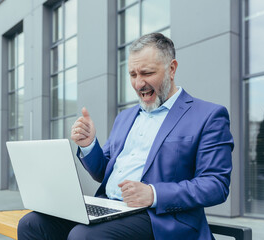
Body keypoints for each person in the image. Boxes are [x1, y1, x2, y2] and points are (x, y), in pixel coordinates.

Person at [17, 32, 234, 240]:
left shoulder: (208, 115)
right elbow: (104, 172)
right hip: (110, 208)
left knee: (84, 236)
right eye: (133, 74)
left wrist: (154, 193)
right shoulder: (125, 117)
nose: (139, 84)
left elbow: (216, 185)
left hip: (160, 219)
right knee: (31, 224)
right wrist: (89, 145)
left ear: (172, 69)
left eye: (147, 73)